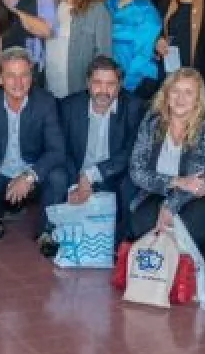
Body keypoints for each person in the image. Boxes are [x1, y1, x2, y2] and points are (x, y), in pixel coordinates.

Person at [0, 48, 70, 251]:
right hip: (0, 172)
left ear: (31, 77)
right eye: (11, 76)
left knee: (58, 177)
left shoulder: (45, 102)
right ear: (0, 79)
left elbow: (57, 150)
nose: (18, 82)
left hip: (33, 173)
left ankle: (46, 232)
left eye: (24, 75)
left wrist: (28, 177)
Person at [127, 68, 205, 253]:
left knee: (191, 228)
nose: (180, 98)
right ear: (166, 94)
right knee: (141, 224)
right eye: (175, 91)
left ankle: (189, 270)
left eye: (188, 92)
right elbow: (136, 171)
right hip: (158, 191)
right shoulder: (152, 120)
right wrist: (176, 181)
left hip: (197, 197)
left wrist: (169, 206)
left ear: (198, 98)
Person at [60, 57, 147, 244]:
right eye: (97, 83)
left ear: (120, 85)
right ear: (88, 83)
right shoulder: (69, 106)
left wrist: (91, 175)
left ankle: (120, 240)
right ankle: (50, 232)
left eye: (110, 84)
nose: (103, 91)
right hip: (77, 173)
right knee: (56, 177)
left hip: (112, 174)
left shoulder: (134, 107)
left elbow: (131, 151)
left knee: (130, 183)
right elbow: (62, 149)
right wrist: (75, 182)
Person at [44, 0, 114, 100]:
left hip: (79, 90)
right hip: (48, 86)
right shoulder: (51, 1)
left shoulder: (98, 9)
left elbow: (104, 55)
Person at [106, 0, 163, 98]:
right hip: (110, 78)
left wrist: (125, 86)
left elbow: (143, 55)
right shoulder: (109, 3)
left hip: (137, 80)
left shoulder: (147, 11)